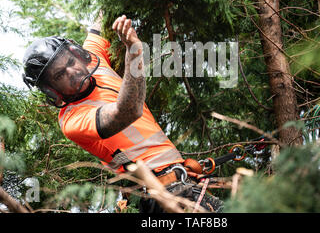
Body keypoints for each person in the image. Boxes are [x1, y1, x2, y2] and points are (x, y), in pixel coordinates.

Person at [22, 13, 223, 213]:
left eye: (70, 62)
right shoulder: (72, 120)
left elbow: (104, 12)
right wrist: (133, 51)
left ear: (77, 54)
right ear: (52, 91)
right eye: (59, 75)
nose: (72, 72)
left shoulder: (94, 57)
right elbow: (127, 111)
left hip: (182, 181)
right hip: (157, 196)